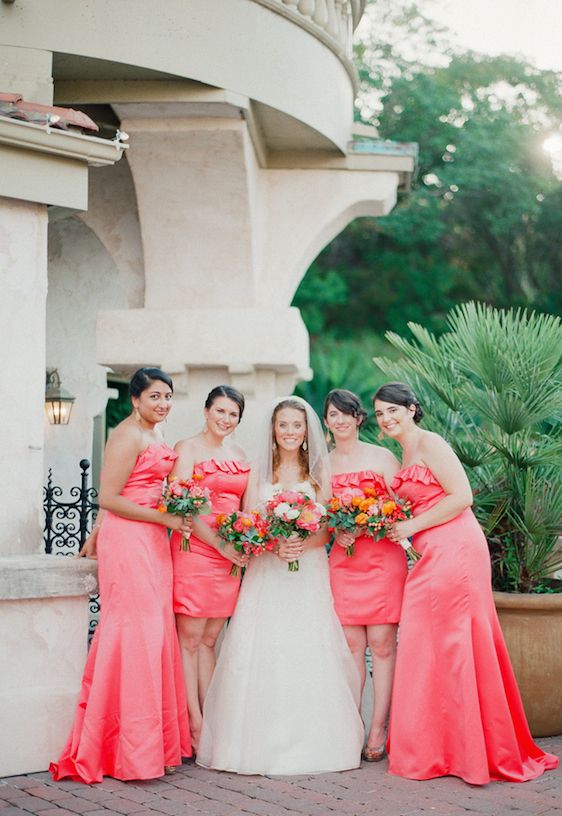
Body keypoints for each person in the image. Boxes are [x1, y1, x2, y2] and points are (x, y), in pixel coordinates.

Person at [373, 381, 559, 785]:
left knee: (456, 643)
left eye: (392, 410)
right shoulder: (403, 451)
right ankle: (437, 747)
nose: (386, 418)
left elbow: (462, 496)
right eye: (380, 413)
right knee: (428, 644)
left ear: (411, 409)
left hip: (455, 547)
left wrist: (411, 524)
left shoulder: (431, 442)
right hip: (428, 550)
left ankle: (469, 750)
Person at [196, 396, 364, 775]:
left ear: (307, 431)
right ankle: (252, 743)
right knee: (263, 647)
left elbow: (328, 531)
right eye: (283, 425)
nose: (290, 432)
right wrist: (273, 544)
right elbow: (247, 523)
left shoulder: (319, 474)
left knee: (307, 647)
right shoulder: (256, 473)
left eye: (297, 425)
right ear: (273, 429)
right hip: (267, 571)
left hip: (307, 572)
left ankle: (315, 742)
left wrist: (303, 542)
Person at [50, 368, 191, 783]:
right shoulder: (126, 433)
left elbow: (126, 493)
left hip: (151, 539)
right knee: (133, 631)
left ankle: (152, 742)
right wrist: (162, 517)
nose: (163, 404)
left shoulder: (158, 434)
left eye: (167, 396)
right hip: (131, 540)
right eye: (155, 397)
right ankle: (121, 746)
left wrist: (100, 528)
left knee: (153, 632)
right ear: (135, 399)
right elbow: (109, 495)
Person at [324, 389, 407, 762]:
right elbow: (319, 517)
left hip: (382, 558)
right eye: (332, 416)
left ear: (359, 419)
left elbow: (403, 507)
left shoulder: (383, 457)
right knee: (351, 647)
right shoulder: (321, 466)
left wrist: (376, 517)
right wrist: (335, 530)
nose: (340, 421)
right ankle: (350, 725)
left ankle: (378, 728)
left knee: (383, 645)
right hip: (345, 561)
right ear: (326, 423)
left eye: (347, 414)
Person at [170, 385, 249, 753]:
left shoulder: (241, 454)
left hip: (229, 555)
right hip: (195, 548)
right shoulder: (187, 449)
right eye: (220, 411)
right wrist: (218, 544)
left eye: (233, 414)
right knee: (188, 638)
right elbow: (182, 506)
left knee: (209, 639)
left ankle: (209, 714)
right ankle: (193, 724)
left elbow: (247, 510)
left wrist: (244, 541)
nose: (225, 419)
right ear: (206, 411)